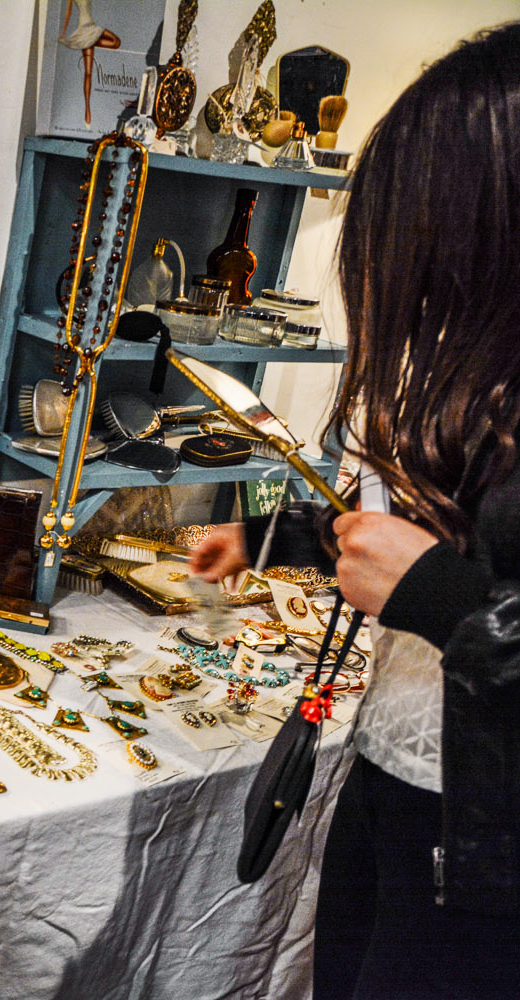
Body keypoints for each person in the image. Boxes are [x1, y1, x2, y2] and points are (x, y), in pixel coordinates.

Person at [189, 22, 520, 999]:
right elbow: (421, 526)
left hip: (490, 848)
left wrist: (433, 596)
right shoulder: (480, 377)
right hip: (399, 774)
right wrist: (265, 536)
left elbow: (444, 576)